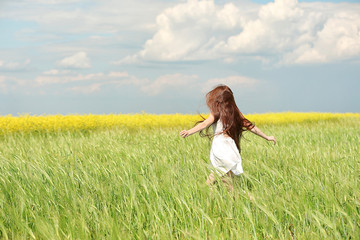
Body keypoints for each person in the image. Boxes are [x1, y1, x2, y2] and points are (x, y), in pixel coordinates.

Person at [179, 85, 276, 191]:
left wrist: (189, 132)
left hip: (220, 148)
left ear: (218, 99)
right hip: (231, 149)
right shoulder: (235, 113)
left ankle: (205, 195)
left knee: (217, 181)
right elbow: (250, 126)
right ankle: (239, 201)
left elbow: (204, 124)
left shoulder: (216, 113)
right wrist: (267, 137)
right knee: (226, 183)